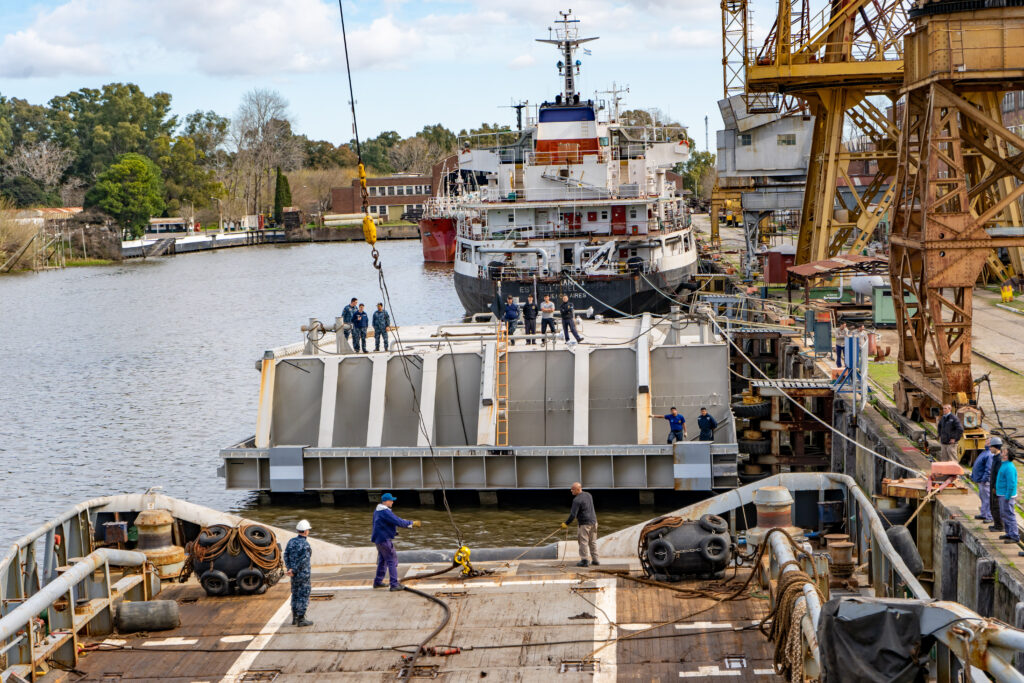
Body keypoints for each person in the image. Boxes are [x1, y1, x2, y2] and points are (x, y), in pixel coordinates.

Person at [372, 493, 421, 591]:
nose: (393, 502)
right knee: (392, 560)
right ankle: (394, 584)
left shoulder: (377, 511)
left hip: (378, 539)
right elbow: (398, 521)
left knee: (382, 560)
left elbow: (381, 525)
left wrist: (393, 532)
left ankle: (377, 582)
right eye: (391, 500)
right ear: (386, 501)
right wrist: (411, 523)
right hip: (384, 540)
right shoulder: (385, 511)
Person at [560, 482, 599, 567]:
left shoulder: (576, 500)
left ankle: (584, 560)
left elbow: (573, 514)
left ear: (578, 489)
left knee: (583, 542)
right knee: (593, 542)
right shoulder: (589, 495)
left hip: (585, 524)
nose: (571, 491)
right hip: (594, 522)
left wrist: (566, 523)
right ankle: (595, 560)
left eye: (573, 489)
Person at [284, 520, 314, 627]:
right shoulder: (305, 544)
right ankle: (301, 619)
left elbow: (286, 555)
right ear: (305, 531)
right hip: (303, 575)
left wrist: (290, 569)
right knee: (303, 595)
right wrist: (295, 570)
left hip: (293, 575)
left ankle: (294, 617)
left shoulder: (291, 542)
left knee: (295, 594)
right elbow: (304, 561)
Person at [995, 448, 1019, 544]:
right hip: (1002, 494)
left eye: (1004, 452)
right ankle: (1009, 533)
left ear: (1006, 456)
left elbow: (1012, 483)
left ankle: (1014, 535)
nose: (1002, 452)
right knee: (1004, 514)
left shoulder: (1009, 467)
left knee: (1009, 515)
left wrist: (1008, 496)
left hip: (1006, 495)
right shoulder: (1004, 465)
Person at [972, 437, 998, 523]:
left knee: (987, 499)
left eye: (988, 441)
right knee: (983, 498)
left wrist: (984, 479)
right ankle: (983, 514)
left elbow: (989, 469)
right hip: (981, 480)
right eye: (986, 440)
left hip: (985, 481)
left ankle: (989, 516)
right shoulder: (985, 452)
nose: (985, 442)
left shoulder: (990, 454)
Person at [989, 442, 1006, 533]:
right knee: (992, 505)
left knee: (996, 506)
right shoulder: (995, 458)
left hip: (996, 487)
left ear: (996, 447)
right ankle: (996, 524)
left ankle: (999, 526)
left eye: (991, 446)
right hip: (993, 486)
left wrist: (996, 487)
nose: (990, 448)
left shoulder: (999, 460)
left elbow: (999, 475)